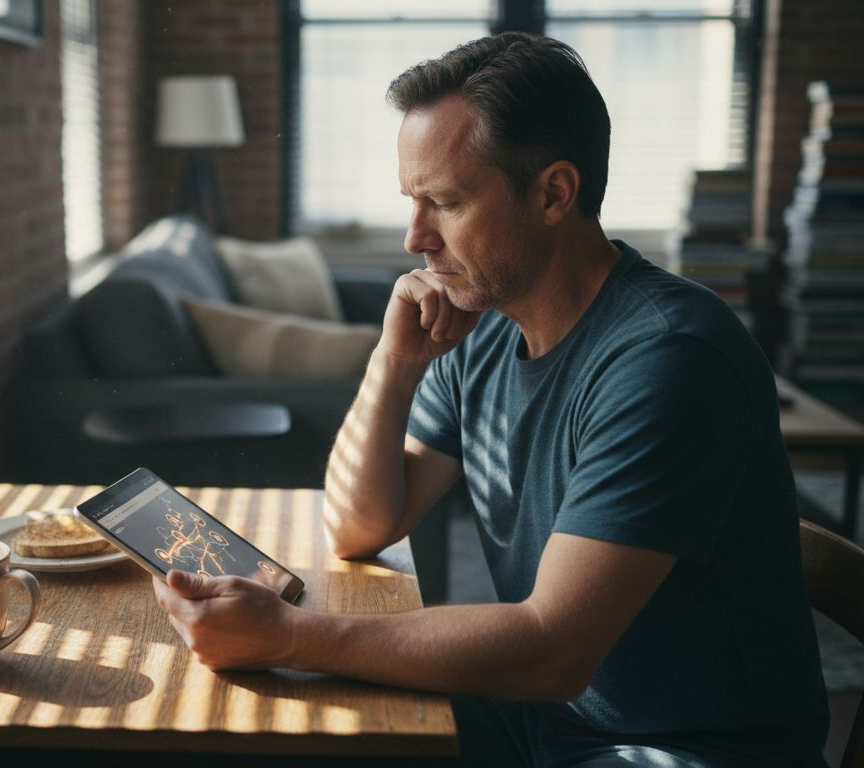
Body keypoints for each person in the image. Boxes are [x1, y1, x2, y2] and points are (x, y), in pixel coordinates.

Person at [153, 32, 829, 767]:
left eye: (443, 202)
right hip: (546, 720)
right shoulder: (481, 330)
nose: (416, 239)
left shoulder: (669, 358)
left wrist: (288, 635)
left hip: (678, 749)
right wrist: (393, 361)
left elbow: (554, 650)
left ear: (553, 193)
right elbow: (360, 525)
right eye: (413, 202)